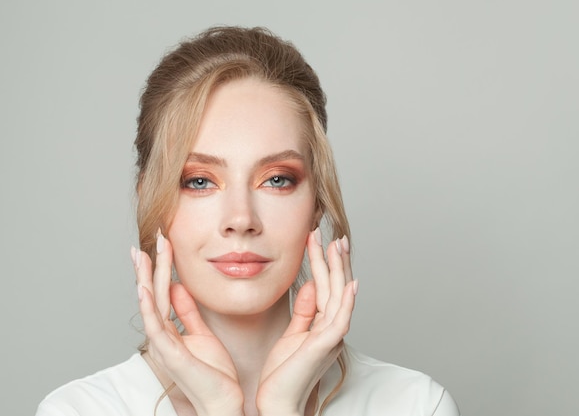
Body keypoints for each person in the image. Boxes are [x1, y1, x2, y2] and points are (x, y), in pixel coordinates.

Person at [36, 26, 460, 416]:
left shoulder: (415, 405)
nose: (241, 219)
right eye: (199, 181)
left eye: (277, 179)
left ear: (317, 202)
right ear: (150, 197)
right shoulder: (79, 410)